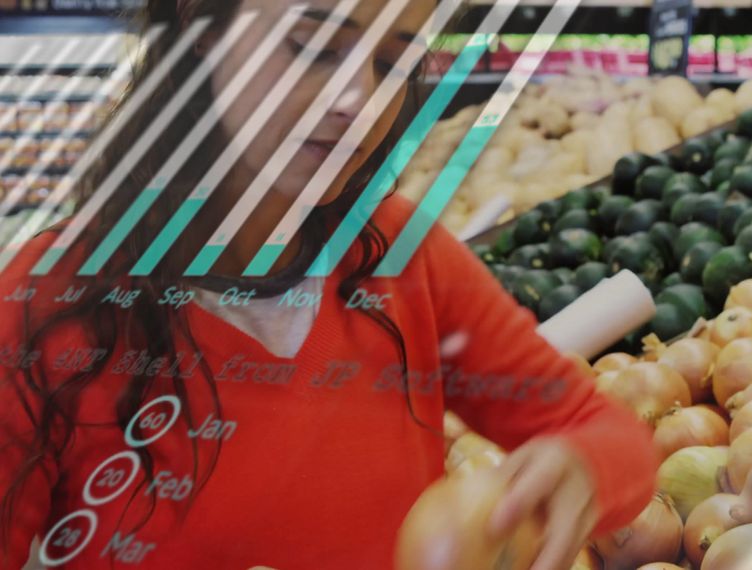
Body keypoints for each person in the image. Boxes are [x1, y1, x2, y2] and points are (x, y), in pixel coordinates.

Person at [0, 0, 657, 568]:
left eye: (392, 62)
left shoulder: (402, 257)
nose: (357, 103)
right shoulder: (48, 300)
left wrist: (581, 468)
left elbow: (606, 433)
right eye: (313, 47)